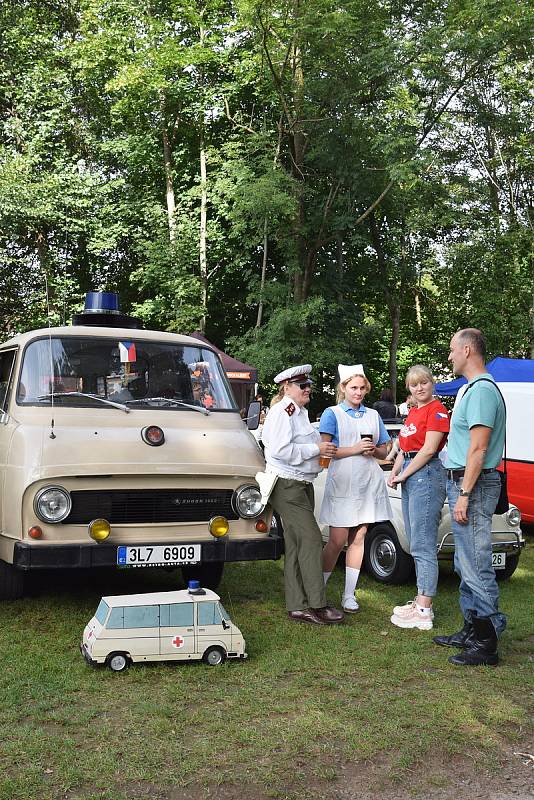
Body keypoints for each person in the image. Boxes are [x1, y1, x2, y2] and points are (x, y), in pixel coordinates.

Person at [433, 328, 506, 666]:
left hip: (472, 484)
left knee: (476, 564)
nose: (449, 356)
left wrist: (463, 493)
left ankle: (487, 642)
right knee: (465, 562)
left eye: (451, 350)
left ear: (466, 350)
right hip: (464, 481)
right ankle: (471, 629)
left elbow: (478, 449)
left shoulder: (481, 392)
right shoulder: (472, 390)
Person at [261, 364, 344, 626]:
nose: (307, 389)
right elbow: (280, 450)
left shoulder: (299, 412)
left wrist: (319, 451)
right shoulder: (282, 412)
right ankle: (317, 604)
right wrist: (315, 449)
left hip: (300, 484)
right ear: (287, 388)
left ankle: (297, 606)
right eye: (302, 385)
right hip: (287, 485)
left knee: (297, 546)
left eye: (308, 385)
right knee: (310, 540)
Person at [319, 364, 392, 613]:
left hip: (366, 483)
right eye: (353, 388)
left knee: (359, 537)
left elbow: (384, 450)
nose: (358, 392)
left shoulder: (373, 415)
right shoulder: (332, 414)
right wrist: (355, 449)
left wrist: (375, 451)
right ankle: (318, 590)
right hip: (343, 481)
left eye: (362, 388)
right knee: (337, 540)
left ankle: (349, 594)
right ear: (343, 388)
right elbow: (324, 453)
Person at [387, 365, 450, 630]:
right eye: (414, 385)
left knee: (423, 545)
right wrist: (394, 472)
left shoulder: (437, 411)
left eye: (423, 383)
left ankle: (424, 609)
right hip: (412, 475)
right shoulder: (414, 412)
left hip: (426, 475)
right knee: (414, 542)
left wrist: (404, 475)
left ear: (431, 383)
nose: (419, 388)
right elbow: (404, 448)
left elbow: (428, 450)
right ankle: (420, 598)